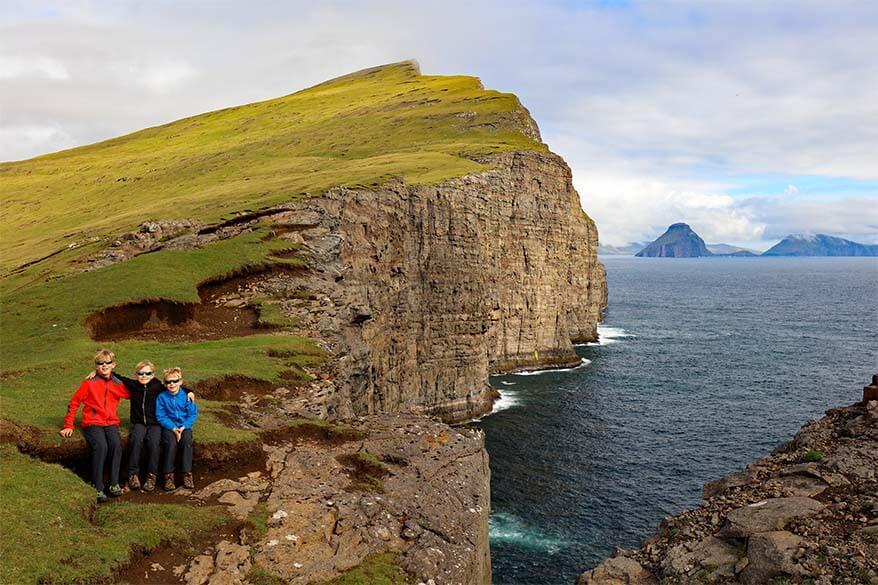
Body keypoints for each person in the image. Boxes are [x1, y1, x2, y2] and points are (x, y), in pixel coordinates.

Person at [60, 349, 129, 502]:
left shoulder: (117, 383)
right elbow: (74, 403)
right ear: (96, 366)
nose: (104, 366)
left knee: (116, 445)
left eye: (107, 363)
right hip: (92, 423)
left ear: (113, 364)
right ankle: (97, 486)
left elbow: (137, 391)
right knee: (101, 446)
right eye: (100, 363)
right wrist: (68, 425)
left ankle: (114, 483)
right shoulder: (89, 383)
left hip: (110, 422)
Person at [116, 361, 195, 492]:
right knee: (136, 441)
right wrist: (98, 372)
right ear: (136, 375)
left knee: (154, 444)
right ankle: (133, 474)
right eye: (141, 373)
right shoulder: (133, 385)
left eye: (148, 373)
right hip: (139, 422)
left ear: (153, 374)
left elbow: (174, 386)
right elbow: (119, 377)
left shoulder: (157, 385)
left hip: (155, 424)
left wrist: (189, 391)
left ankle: (152, 476)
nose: (144, 376)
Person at [155, 367, 198, 491]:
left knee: (187, 442)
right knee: (170, 444)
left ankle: (187, 474)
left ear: (180, 381)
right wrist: (173, 428)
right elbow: (161, 416)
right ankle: (168, 476)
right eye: (168, 382)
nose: (172, 384)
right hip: (169, 426)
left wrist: (183, 427)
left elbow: (192, 414)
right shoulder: (162, 397)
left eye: (174, 381)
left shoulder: (186, 396)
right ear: (164, 384)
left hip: (184, 426)